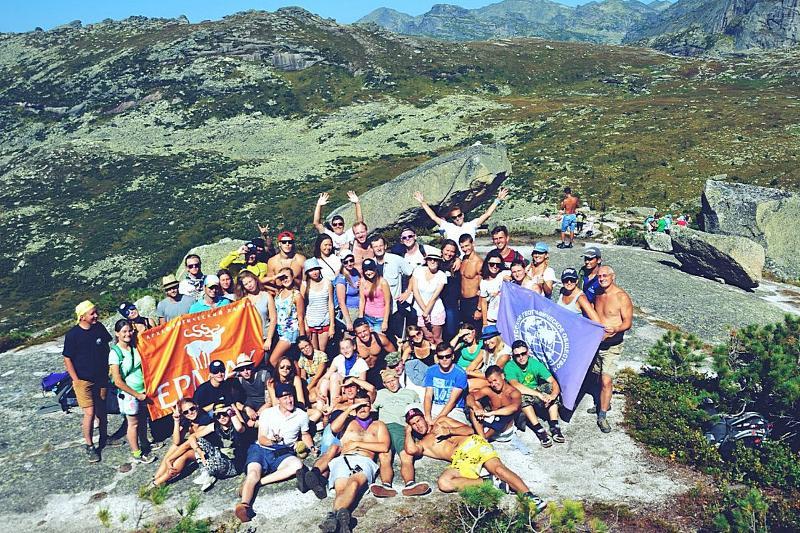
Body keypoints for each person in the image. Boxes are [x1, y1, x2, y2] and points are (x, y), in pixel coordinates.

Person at [403, 408, 546, 509]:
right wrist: (407, 432)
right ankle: (490, 482)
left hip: (474, 444)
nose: (417, 425)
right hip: (460, 459)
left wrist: (449, 431)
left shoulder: (442, 421)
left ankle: (531, 497)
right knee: (444, 483)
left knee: (498, 469)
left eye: (418, 420)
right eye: (413, 424)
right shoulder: (423, 444)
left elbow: (469, 430)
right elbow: (410, 450)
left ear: (424, 418)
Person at [304, 391, 390, 533]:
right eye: (358, 406)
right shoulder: (348, 422)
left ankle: (333, 517)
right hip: (344, 459)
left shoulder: (378, 425)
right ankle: (339, 520)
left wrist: (357, 444)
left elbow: (384, 446)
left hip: (364, 461)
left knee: (354, 483)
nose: (362, 409)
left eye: (365, 405)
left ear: (370, 406)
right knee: (341, 490)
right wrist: (349, 409)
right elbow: (333, 428)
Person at [235, 383, 313, 523]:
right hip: (261, 449)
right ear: (278, 399)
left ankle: (259, 483)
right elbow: (261, 438)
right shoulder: (268, 413)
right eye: (285, 398)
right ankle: (244, 505)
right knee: (253, 473)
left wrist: (311, 446)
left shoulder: (301, 415)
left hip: (283, 453)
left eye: (290, 396)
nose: (289, 400)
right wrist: (273, 441)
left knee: (297, 465)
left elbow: (305, 434)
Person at [63, 300, 113, 462]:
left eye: (96, 312)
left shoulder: (99, 328)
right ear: (82, 317)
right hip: (83, 381)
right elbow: (67, 358)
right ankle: (90, 445)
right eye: (92, 313)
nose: (96, 315)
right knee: (90, 413)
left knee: (102, 409)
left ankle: (105, 437)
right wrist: (75, 380)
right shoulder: (73, 335)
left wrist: (109, 368)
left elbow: (106, 347)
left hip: (101, 377)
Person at [591, 266, 633, 433]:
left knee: (606, 380)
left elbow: (627, 322)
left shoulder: (621, 297)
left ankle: (602, 415)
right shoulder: (598, 294)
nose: (602, 279)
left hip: (612, 346)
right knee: (596, 377)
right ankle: (603, 402)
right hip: (596, 345)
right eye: (599, 276)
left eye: (605, 276)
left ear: (612, 277)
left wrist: (616, 329)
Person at [370, 369, 424, 498]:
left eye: (393, 380)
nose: (391, 384)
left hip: (402, 427)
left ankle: (410, 484)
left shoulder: (410, 393)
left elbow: (418, 413)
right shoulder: (380, 394)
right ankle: (386, 485)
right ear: (384, 384)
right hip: (384, 428)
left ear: (398, 378)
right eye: (387, 382)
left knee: (406, 455)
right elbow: (370, 410)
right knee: (384, 456)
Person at [109, 319, 155, 464]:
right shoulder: (115, 353)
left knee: (142, 419)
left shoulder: (134, 346)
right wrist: (137, 395)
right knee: (133, 423)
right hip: (129, 394)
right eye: (124, 331)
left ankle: (145, 444)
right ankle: (136, 453)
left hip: (141, 390)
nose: (127, 334)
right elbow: (117, 381)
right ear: (117, 334)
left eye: (129, 331)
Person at [504, 340, 564, 447]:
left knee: (551, 388)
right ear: (513, 356)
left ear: (528, 353)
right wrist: (538, 394)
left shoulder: (535, 363)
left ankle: (554, 426)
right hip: (523, 396)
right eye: (517, 355)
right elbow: (515, 385)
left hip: (536, 393)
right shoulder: (510, 366)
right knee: (520, 395)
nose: (521, 357)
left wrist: (552, 396)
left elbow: (553, 382)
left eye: (523, 353)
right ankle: (539, 430)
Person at [412, 187, 508, 252]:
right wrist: (422, 202)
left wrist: (498, 199)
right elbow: (433, 217)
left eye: (459, 215)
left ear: (463, 215)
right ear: (451, 219)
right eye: (454, 217)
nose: (457, 218)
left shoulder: (471, 225)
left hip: (469, 259)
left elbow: (487, 214)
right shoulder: (448, 226)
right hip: (453, 260)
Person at [152, 398, 212, 486]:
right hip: (196, 447)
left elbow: (189, 444)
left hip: (208, 449)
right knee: (174, 447)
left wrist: (170, 459)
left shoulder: (204, 419)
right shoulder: (188, 420)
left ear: (197, 406)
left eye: (192, 409)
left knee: (183, 456)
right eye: (186, 412)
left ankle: (158, 483)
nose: (190, 413)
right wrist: (176, 421)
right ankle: (157, 476)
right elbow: (176, 442)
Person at [191, 403, 247, 492]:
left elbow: (240, 428)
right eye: (218, 415)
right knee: (200, 442)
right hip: (221, 456)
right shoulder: (215, 426)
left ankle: (210, 473)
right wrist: (199, 451)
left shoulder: (236, 424)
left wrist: (231, 412)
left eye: (224, 414)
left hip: (234, 464)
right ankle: (206, 473)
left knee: (211, 462)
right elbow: (192, 437)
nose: (222, 417)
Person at [369, 235, 415, 340]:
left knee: (400, 339)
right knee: (383, 340)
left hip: (395, 309)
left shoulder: (396, 260)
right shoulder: (371, 264)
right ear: (372, 249)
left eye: (380, 245)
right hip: (379, 312)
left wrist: (407, 292)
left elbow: (412, 274)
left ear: (385, 246)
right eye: (375, 246)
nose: (379, 248)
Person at [466, 365, 521, 440]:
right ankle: (483, 439)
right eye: (490, 382)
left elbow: (514, 407)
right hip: (490, 425)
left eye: (495, 380)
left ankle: (483, 438)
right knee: (474, 405)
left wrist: (491, 413)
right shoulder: (489, 390)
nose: (493, 384)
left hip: (504, 430)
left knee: (505, 413)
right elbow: (470, 396)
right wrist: (475, 408)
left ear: (502, 376)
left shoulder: (513, 392)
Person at [317, 337, 370, 409]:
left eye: (348, 347)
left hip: (351, 391)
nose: (345, 351)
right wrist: (317, 389)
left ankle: (332, 406)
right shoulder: (338, 359)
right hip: (339, 388)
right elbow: (326, 376)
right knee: (325, 382)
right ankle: (320, 408)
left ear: (354, 347)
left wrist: (344, 396)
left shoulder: (361, 362)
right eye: (342, 348)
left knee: (335, 376)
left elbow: (362, 385)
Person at [424, 343, 469, 424]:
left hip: (454, 409)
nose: (444, 359)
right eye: (441, 357)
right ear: (437, 358)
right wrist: (427, 416)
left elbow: (452, 401)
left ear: (452, 356)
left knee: (456, 426)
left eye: (447, 356)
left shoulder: (460, 373)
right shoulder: (431, 370)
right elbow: (428, 395)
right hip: (434, 406)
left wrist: (436, 420)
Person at [270, 266, 306, 367]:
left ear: (292, 277)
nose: (285, 280)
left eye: (287, 277)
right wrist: (275, 277)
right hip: (280, 332)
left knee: (273, 360)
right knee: (291, 359)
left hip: (290, 332)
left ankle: (284, 375)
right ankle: (295, 375)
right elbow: (259, 282)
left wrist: (302, 338)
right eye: (282, 278)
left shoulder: (297, 295)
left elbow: (300, 317)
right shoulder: (279, 292)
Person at [235, 270, 277, 354]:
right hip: (250, 339)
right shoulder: (243, 301)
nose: (249, 285)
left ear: (255, 280)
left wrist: (269, 339)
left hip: (265, 337)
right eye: (246, 284)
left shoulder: (266, 296)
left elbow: (273, 318)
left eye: (250, 281)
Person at [411, 252, 448, 344]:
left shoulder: (442, 275)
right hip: (420, 310)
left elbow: (434, 297)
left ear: (439, 262)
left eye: (435, 260)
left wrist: (426, 313)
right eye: (430, 259)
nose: (432, 261)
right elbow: (415, 292)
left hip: (436, 310)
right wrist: (425, 313)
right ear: (426, 261)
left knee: (437, 338)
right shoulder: (418, 271)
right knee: (428, 337)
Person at [313, 191, 362, 256]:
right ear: (332, 226)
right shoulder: (329, 235)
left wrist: (357, 203)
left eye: (340, 224)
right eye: (335, 224)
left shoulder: (349, 234)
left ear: (344, 225)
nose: (337, 226)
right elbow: (316, 223)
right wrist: (319, 205)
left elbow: (360, 222)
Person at [303, 257, 335, 354]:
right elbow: (302, 307)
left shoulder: (327, 283)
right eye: (311, 270)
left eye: (316, 269)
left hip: (324, 321)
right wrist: (305, 325)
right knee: (314, 351)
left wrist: (332, 325)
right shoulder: (305, 285)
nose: (314, 272)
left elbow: (330, 304)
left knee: (322, 352)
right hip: (310, 322)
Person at [353, 318, 397, 390]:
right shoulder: (354, 345)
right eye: (359, 333)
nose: (363, 335)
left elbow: (394, 354)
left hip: (380, 370)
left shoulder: (380, 339)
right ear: (356, 334)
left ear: (370, 329)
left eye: (364, 331)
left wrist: (388, 368)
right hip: (364, 373)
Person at [465, 326, 511, 391]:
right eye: (485, 339)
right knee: (464, 380)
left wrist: (470, 373)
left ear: (497, 337)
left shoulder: (504, 354)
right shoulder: (485, 347)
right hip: (484, 374)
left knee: (469, 384)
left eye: (489, 338)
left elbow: (493, 375)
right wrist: (466, 373)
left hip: (494, 380)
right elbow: (475, 362)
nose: (487, 342)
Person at [458, 234, 483, 329]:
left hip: (474, 301)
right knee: (465, 330)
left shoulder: (479, 262)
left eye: (467, 246)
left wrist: (479, 309)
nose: (465, 249)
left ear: (473, 244)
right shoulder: (464, 259)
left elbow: (483, 288)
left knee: (475, 330)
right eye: (462, 247)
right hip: (463, 301)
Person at [359, 258, 391, 333]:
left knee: (377, 338)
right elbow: (362, 300)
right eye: (366, 270)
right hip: (367, 316)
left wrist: (385, 321)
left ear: (375, 269)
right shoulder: (363, 281)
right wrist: (361, 316)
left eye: (371, 269)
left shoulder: (383, 282)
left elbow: (387, 303)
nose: (368, 272)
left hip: (379, 318)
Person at [439, 239, 462, 342]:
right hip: (438, 302)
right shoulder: (437, 263)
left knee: (451, 330)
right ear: (442, 250)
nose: (449, 253)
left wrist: (458, 259)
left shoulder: (456, 265)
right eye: (447, 250)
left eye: (452, 251)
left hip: (452, 304)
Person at [479, 250, 509, 327]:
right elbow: (484, 303)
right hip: (491, 320)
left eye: (498, 264)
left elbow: (520, 273)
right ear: (487, 264)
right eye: (492, 264)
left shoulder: (504, 274)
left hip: (505, 321)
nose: (495, 266)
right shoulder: (484, 282)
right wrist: (484, 323)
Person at [234, 354, 269, 419]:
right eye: (242, 369)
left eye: (248, 368)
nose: (245, 372)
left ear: (252, 367)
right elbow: (237, 403)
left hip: (265, 410)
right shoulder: (239, 380)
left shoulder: (264, 376)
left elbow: (269, 401)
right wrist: (247, 409)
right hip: (249, 410)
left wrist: (256, 415)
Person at [297, 335, 329, 404]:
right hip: (311, 382)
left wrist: (307, 389)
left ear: (311, 343)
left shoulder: (321, 355)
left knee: (313, 396)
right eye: (302, 349)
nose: (305, 349)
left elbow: (317, 377)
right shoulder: (302, 359)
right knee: (310, 397)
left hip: (322, 380)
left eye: (306, 346)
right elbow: (303, 377)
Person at [334, 252, 361, 332]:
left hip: (359, 309)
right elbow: (341, 302)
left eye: (351, 260)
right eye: (346, 262)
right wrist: (348, 321)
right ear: (342, 263)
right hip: (350, 311)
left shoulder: (355, 273)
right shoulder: (341, 279)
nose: (349, 264)